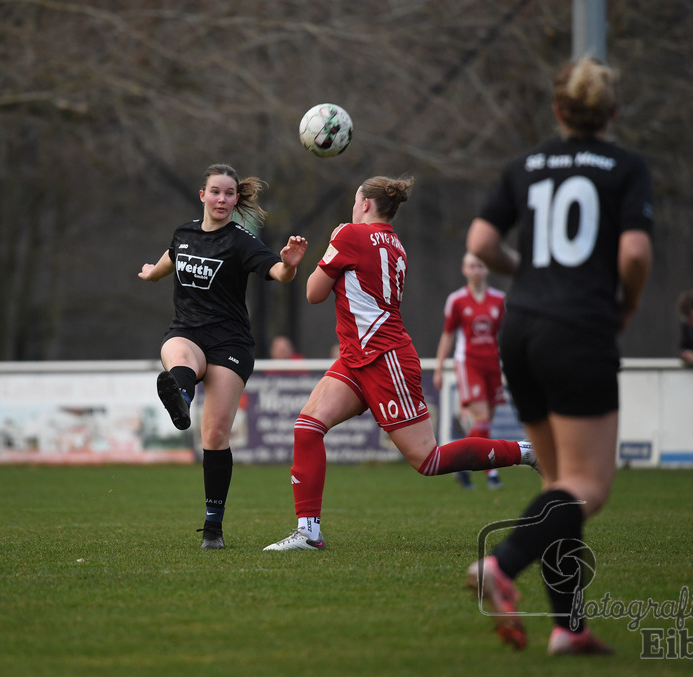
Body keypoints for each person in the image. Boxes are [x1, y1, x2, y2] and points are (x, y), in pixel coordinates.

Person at [465, 58, 653, 655]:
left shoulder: (525, 165)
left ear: (557, 111)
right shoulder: (624, 166)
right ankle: (501, 566)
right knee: (588, 486)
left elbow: (481, 244)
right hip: (577, 329)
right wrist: (625, 305)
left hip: (519, 328)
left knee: (557, 484)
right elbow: (635, 253)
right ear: (613, 114)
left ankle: (568, 628)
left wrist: (533, 274)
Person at [263, 175, 538, 552]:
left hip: (384, 358)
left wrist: (325, 247)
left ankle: (525, 451)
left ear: (364, 204)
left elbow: (313, 294)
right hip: (358, 357)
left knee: (428, 459)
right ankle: (308, 531)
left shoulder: (349, 235)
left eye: (355, 199)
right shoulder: (396, 244)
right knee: (307, 427)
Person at [138, 163, 308, 550]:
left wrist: (291, 265)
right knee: (179, 354)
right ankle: (180, 397)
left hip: (230, 343)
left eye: (229, 193)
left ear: (236, 199)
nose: (222, 199)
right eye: (216, 191)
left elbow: (277, 273)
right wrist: (151, 273)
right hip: (188, 332)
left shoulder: (241, 241)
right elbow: (172, 257)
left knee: (215, 435)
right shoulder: (183, 233)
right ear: (203, 195)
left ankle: (213, 528)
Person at [433, 252, 508, 490]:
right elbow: (448, 335)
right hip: (468, 364)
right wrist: (438, 367)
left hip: (493, 364)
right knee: (482, 418)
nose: (476, 270)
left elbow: (505, 335)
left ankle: (463, 466)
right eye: (472, 266)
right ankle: (491, 472)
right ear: (464, 270)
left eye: (480, 266)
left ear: (487, 270)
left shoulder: (499, 299)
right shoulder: (456, 300)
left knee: (486, 423)